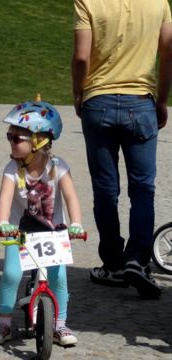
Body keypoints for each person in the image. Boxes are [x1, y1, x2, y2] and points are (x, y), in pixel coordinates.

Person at [71, 0, 172, 299]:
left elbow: (80, 57)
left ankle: (113, 264)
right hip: (141, 102)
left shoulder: (87, 1)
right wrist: (162, 99)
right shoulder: (158, 3)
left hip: (98, 101)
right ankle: (137, 260)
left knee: (105, 190)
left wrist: (79, 92)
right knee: (142, 189)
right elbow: (168, 51)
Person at [0, 101, 84, 347]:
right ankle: (4, 323)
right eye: (9, 136)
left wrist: (77, 224)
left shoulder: (58, 167)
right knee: (10, 274)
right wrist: (3, 223)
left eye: (16, 137)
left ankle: (59, 324)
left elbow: (71, 197)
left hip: (53, 233)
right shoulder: (12, 169)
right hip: (20, 233)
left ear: (39, 140)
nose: (10, 141)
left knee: (58, 277)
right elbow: (5, 199)